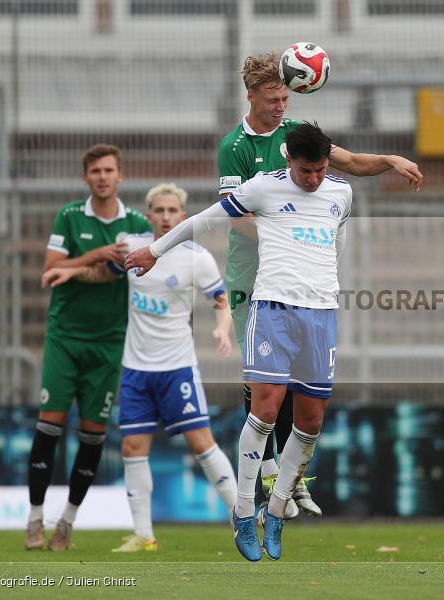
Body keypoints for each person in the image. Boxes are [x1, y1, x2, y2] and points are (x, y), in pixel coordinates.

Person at [128, 123, 349, 562]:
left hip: (321, 313)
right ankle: (245, 511)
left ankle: (280, 508)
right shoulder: (263, 187)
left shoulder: (341, 192)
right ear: (289, 160)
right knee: (265, 409)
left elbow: (336, 245)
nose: (315, 179)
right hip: (272, 310)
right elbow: (204, 219)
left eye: (321, 169)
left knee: (310, 421)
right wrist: (156, 250)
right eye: (306, 171)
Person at [219, 52, 423, 518]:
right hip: (251, 274)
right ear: (251, 96)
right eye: (273, 98)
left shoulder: (298, 139)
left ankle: (289, 480)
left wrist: (390, 159)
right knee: (264, 382)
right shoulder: (234, 147)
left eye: (286, 97)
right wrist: (286, 231)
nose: (280, 105)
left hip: (299, 277)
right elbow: (237, 220)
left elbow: (349, 161)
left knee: (296, 379)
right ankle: (270, 472)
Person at [41, 183, 237, 553]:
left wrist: (222, 329)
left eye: (172, 211)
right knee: (133, 447)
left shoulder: (197, 258)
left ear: (183, 215)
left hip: (177, 367)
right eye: (159, 211)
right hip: (135, 369)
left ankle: (240, 516)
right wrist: (73, 272)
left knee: (201, 443)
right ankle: (144, 535)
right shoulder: (132, 246)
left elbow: (221, 301)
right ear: (148, 216)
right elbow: (105, 272)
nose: (165, 217)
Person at [25, 144, 153, 551]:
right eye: (95, 171)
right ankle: (34, 518)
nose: (102, 176)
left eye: (109, 170)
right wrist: (98, 256)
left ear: (120, 176)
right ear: (86, 178)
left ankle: (67, 521)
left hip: (110, 341)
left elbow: (128, 272)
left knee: (94, 433)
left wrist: (77, 268)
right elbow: (51, 271)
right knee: (50, 424)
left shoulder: (136, 223)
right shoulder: (69, 215)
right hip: (65, 336)